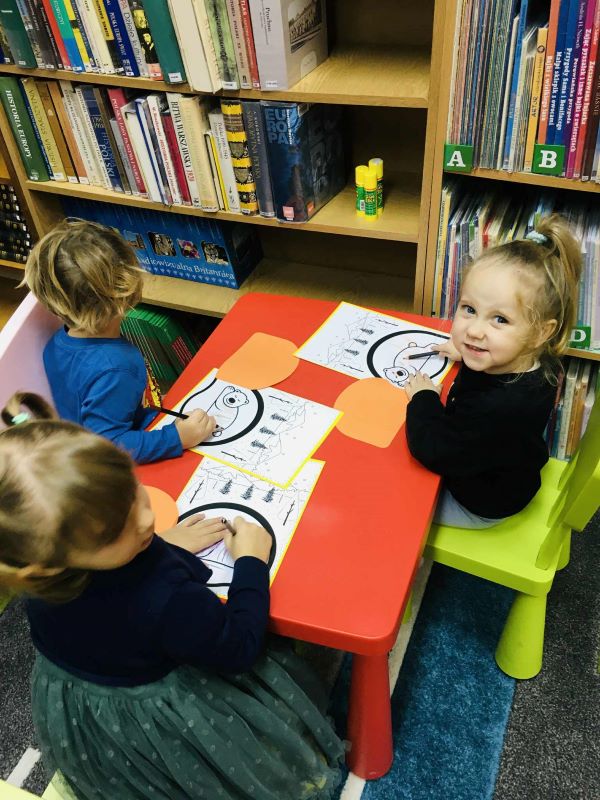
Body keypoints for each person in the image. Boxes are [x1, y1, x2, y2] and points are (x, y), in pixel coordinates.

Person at [0, 392, 344, 800]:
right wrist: (251, 562)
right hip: (160, 719)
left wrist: (158, 543)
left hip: (87, 705)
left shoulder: (41, 575)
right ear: (47, 564)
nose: (147, 518)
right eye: (117, 531)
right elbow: (239, 647)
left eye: (133, 492)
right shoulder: (166, 598)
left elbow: (107, 594)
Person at [404, 214, 582, 529]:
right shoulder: (537, 360)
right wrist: (466, 353)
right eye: (469, 309)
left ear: (541, 332)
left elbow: (434, 450)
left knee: (393, 499)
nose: (474, 330)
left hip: (480, 503)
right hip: (511, 470)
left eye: (500, 319)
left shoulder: (496, 408)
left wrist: (423, 398)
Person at [23, 219, 216, 466]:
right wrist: (177, 438)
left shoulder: (58, 341)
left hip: (86, 438)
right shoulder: (117, 368)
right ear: (127, 285)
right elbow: (108, 446)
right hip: (112, 462)